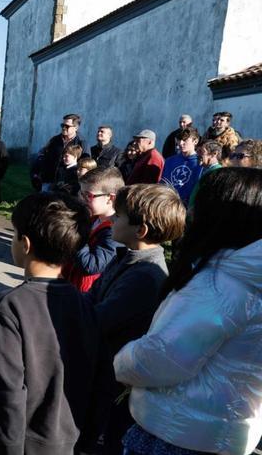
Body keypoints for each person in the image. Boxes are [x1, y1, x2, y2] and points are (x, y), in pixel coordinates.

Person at [114, 168, 262, 455]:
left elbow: (162, 357)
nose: (191, 211)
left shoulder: (221, 285)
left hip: (178, 432)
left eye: (199, 203)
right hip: (223, 432)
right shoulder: (249, 276)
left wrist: (121, 363)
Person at [0, 192, 101, 454]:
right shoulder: (85, 304)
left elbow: (8, 394)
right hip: (70, 439)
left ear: (24, 243)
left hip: (23, 443)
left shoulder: (10, 307)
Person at [85, 184, 186, 455]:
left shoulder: (145, 276)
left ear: (140, 231)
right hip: (101, 371)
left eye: (117, 216)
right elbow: (92, 296)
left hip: (112, 382)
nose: (110, 220)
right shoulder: (127, 258)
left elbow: (98, 319)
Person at [62, 167, 124, 293]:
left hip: (86, 294)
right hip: (70, 283)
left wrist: (75, 233)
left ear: (110, 198)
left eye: (88, 195)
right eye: (81, 193)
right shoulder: (93, 218)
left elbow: (92, 265)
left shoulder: (114, 231)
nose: (82, 199)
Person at [32, 113, 87, 192]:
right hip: (48, 180)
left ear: (76, 128)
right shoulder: (55, 140)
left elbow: (85, 164)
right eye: (62, 125)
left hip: (67, 184)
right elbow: (44, 156)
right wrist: (37, 173)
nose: (64, 128)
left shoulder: (82, 143)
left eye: (67, 126)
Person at [159, 125, 203, 205]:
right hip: (167, 205)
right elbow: (163, 184)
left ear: (195, 141)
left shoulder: (201, 163)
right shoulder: (170, 160)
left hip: (188, 206)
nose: (180, 143)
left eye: (185, 140)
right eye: (179, 140)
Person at [187, 140, 223, 211]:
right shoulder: (205, 170)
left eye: (201, 152)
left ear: (214, 154)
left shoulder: (218, 173)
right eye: (197, 151)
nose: (197, 155)